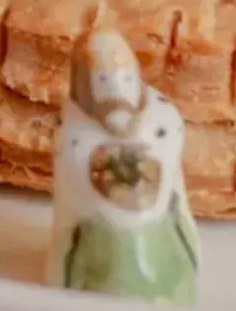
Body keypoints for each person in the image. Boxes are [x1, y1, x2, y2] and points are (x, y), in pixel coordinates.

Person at [48, 29, 200, 303]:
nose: (117, 90)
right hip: (97, 261)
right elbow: (68, 219)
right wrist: (61, 274)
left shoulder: (162, 124)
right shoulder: (72, 138)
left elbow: (178, 198)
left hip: (162, 252)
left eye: (127, 78)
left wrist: (192, 250)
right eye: (104, 79)